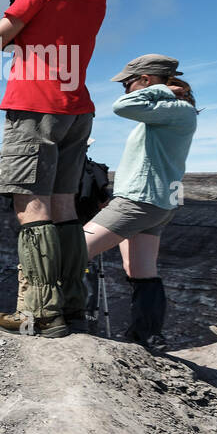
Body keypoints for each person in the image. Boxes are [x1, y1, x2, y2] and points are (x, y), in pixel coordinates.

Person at [0, 0, 108, 337]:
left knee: (31, 205)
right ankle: (71, 306)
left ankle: (40, 313)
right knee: (65, 206)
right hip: (77, 108)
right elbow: (43, 34)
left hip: (34, 105)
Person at [82, 54, 199, 350]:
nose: (125, 89)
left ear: (146, 80)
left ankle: (68, 319)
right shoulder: (172, 113)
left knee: (72, 252)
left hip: (140, 202)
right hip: (157, 203)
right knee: (140, 270)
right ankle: (147, 337)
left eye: (128, 82)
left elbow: (122, 107)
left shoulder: (174, 108)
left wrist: (160, 90)